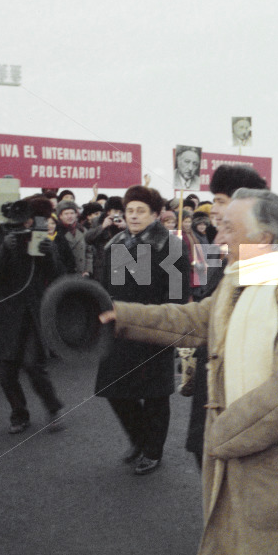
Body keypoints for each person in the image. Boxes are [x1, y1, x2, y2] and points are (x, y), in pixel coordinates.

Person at [100, 189, 278, 555]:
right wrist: (122, 316)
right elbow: (198, 318)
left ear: (265, 238)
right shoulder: (241, 279)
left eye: (229, 228)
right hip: (236, 453)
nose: (218, 239)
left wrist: (218, 435)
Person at [95, 185, 189, 475]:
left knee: (155, 394)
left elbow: (177, 293)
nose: (133, 216)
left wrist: (165, 322)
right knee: (114, 388)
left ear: (156, 214)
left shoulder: (170, 245)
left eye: (140, 211)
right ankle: (138, 438)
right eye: (130, 210)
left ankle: (152, 451)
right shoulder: (118, 243)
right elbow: (110, 287)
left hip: (155, 327)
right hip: (120, 326)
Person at [184, 165, 269, 468]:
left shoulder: (268, 257)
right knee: (204, 449)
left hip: (242, 378)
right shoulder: (224, 249)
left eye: (220, 201)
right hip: (212, 371)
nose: (213, 209)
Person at [0, 195, 67, 434]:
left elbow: (58, 273)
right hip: (6, 311)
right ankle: (19, 413)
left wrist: (50, 253)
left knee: (33, 364)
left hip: (33, 311)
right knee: (6, 370)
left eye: (32, 219)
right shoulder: (2, 234)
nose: (27, 223)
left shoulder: (42, 234)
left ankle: (53, 409)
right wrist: (4, 250)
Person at [55, 199, 93, 277]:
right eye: (66, 214)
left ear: (76, 214)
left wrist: (87, 270)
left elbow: (89, 252)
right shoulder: (56, 232)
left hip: (82, 275)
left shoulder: (83, 230)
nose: (70, 216)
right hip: (64, 275)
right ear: (60, 216)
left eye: (72, 213)